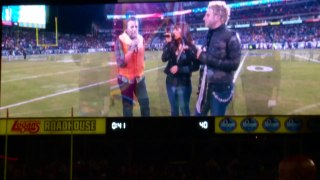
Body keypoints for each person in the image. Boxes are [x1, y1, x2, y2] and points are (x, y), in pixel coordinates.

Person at [196, 1, 241, 116]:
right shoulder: (210, 34)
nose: (203, 18)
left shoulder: (231, 35)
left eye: (207, 15)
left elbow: (234, 64)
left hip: (221, 89)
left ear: (217, 17)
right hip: (206, 87)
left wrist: (206, 58)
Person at [114, 16, 150, 117]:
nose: (134, 29)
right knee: (128, 107)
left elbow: (143, 57)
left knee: (145, 104)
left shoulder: (141, 39)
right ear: (126, 28)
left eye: (136, 26)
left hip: (139, 78)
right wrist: (131, 48)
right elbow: (120, 63)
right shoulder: (120, 40)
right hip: (125, 80)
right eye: (132, 27)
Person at [161, 22, 199, 116]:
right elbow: (164, 58)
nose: (174, 31)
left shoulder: (191, 47)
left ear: (184, 32)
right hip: (170, 82)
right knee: (174, 110)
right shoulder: (172, 45)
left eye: (176, 29)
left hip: (184, 83)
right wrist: (168, 44)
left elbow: (196, 66)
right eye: (174, 29)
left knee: (184, 110)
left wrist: (180, 69)